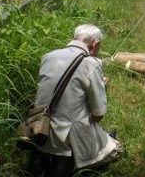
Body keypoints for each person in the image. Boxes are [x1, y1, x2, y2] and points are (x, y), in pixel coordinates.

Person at [34, 24, 122, 176]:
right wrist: (101, 87)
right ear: (95, 44)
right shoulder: (91, 63)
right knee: (116, 149)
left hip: (40, 129)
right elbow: (98, 114)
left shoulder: (48, 56)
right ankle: (77, 161)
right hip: (68, 136)